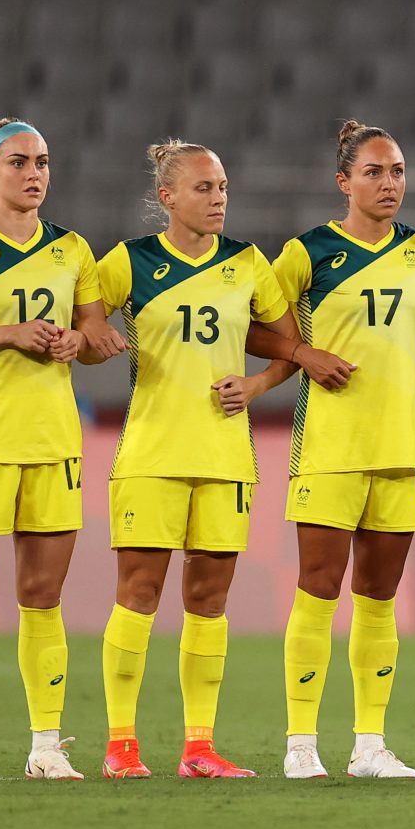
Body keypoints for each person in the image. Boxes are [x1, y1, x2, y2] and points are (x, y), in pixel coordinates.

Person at [0, 118, 121, 781]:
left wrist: (78, 341)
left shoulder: (72, 248)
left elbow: (94, 330)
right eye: (17, 162)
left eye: (41, 161)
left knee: (43, 594)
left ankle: (44, 744)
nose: (32, 174)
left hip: (53, 439)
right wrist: (8, 334)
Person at [251, 122, 415, 780]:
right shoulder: (308, 252)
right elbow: (252, 322)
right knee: (318, 589)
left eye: (396, 171)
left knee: (379, 596)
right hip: (330, 447)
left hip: (400, 446)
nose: (388, 183)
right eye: (373, 172)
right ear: (344, 182)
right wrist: (303, 353)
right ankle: (301, 742)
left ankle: (370, 744)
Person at [88, 141, 289, 778]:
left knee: (209, 601)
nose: (218, 198)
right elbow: (86, 328)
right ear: (168, 197)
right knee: (138, 595)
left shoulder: (249, 263)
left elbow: (292, 348)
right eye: (203, 188)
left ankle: (199, 748)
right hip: (150, 454)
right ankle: (122, 745)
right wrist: (97, 339)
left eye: (223, 186)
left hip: (227, 457)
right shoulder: (130, 261)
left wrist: (255, 386)